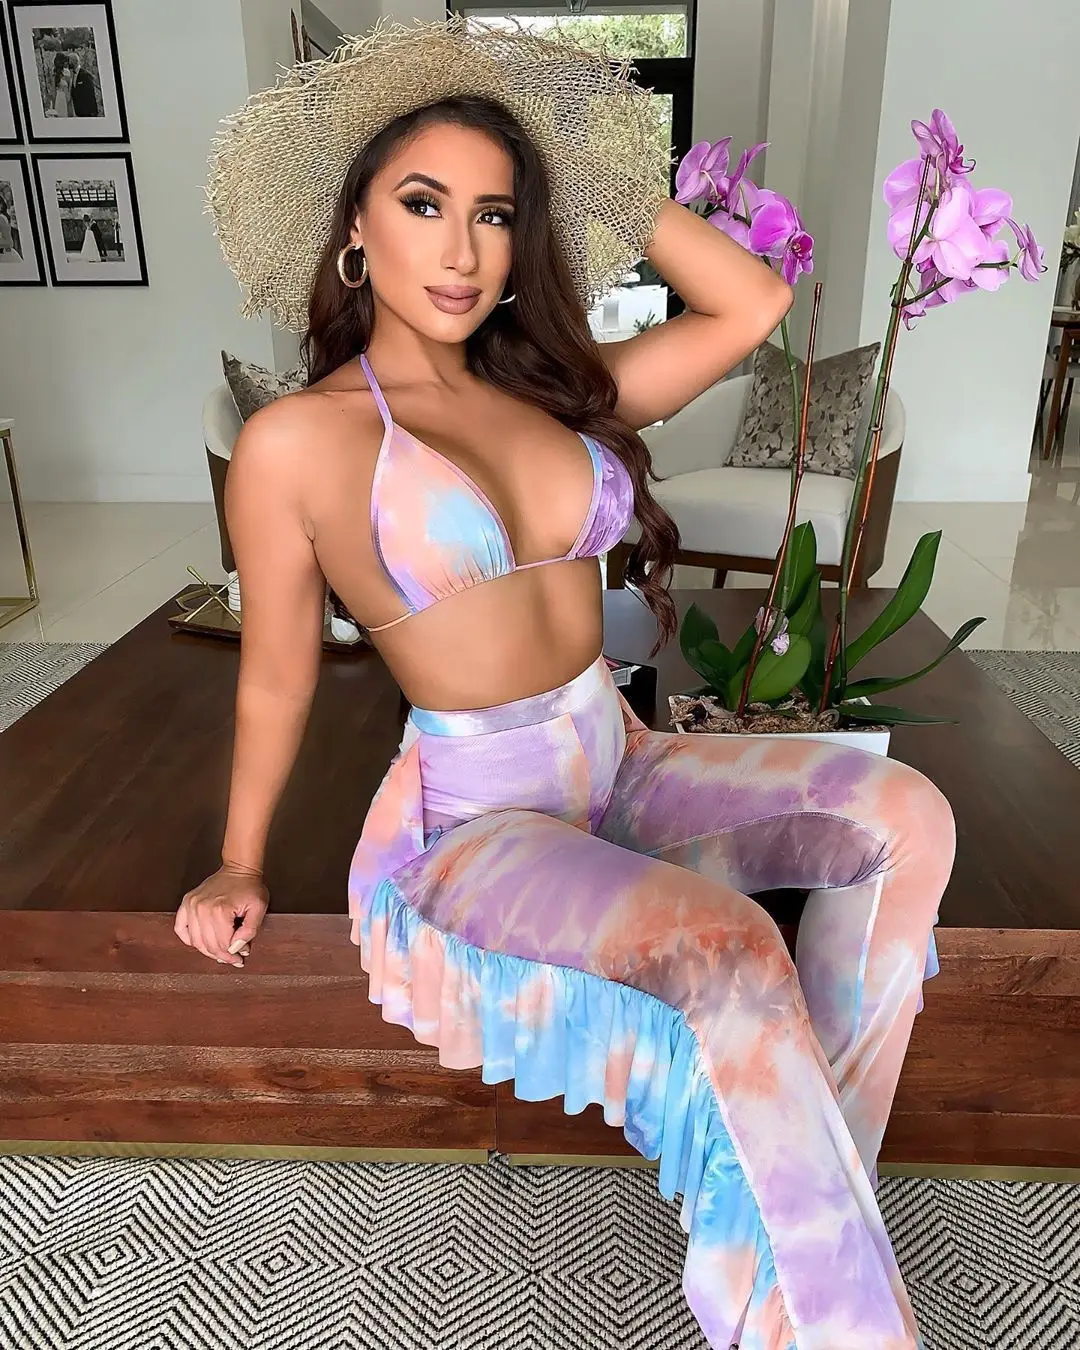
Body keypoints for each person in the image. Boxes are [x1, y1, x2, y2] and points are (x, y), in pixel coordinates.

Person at [180, 18, 954, 1350]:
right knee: (729, 948)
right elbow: (277, 675)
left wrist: (593, 173)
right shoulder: (297, 442)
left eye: (495, 214)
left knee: (907, 815)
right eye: (424, 204)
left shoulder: (552, 395)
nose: (463, 250)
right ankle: (835, 1318)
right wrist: (239, 857)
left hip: (621, 758)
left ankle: (809, 1187)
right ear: (355, 228)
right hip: (482, 821)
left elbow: (751, 305)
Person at [69, 51, 98, 118]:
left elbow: (90, 94)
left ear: (74, 61)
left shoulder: (85, 75)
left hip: (87, 112)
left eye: (69, 61)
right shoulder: (72, 74)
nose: (68, 63)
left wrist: (92, 113)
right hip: (79, 112)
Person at [50, 53, 72, 118]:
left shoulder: (55, 71)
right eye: (65, 61)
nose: (66, 63)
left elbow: (53, 91)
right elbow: (54, 90)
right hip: (62, 97)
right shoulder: (65, 72)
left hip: (60, 96)